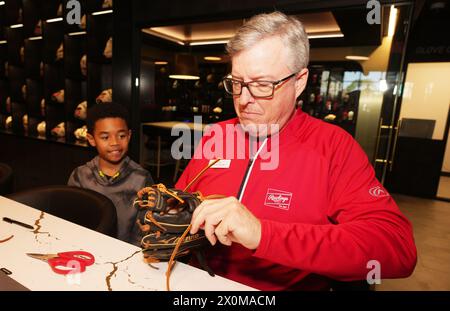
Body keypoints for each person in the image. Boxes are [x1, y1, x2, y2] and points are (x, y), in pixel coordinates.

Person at [175, 11, 417, 290]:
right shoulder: (217, 135)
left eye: (263, 85)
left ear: (299, 82)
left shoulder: (333, 147)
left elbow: (396, 246)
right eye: (237, 83)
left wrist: (263, 234)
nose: (243, 100)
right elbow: (182, 203)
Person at [68, 102, 153, 245]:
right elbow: (72, 223)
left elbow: (144, 231)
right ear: (91, 139)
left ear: (129, 135)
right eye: (105, 137)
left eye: (121, 135)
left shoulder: (142, 179)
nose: (115, 143)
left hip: (127, 254)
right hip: (85, 250)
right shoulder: (80, 177)